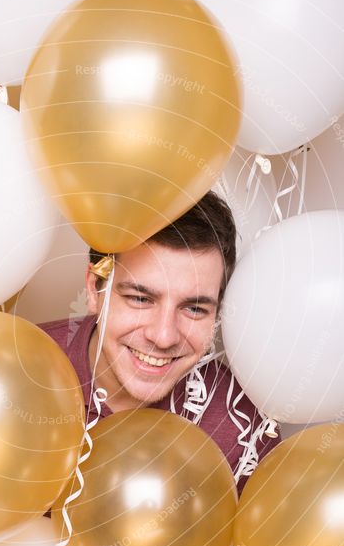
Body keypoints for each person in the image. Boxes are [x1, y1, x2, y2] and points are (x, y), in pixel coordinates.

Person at [39, 190, 280, 496]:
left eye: (194, 308)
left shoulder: (242, 431)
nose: (164, 336)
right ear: (93, 289)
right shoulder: (15, 374)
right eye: (140, 299)